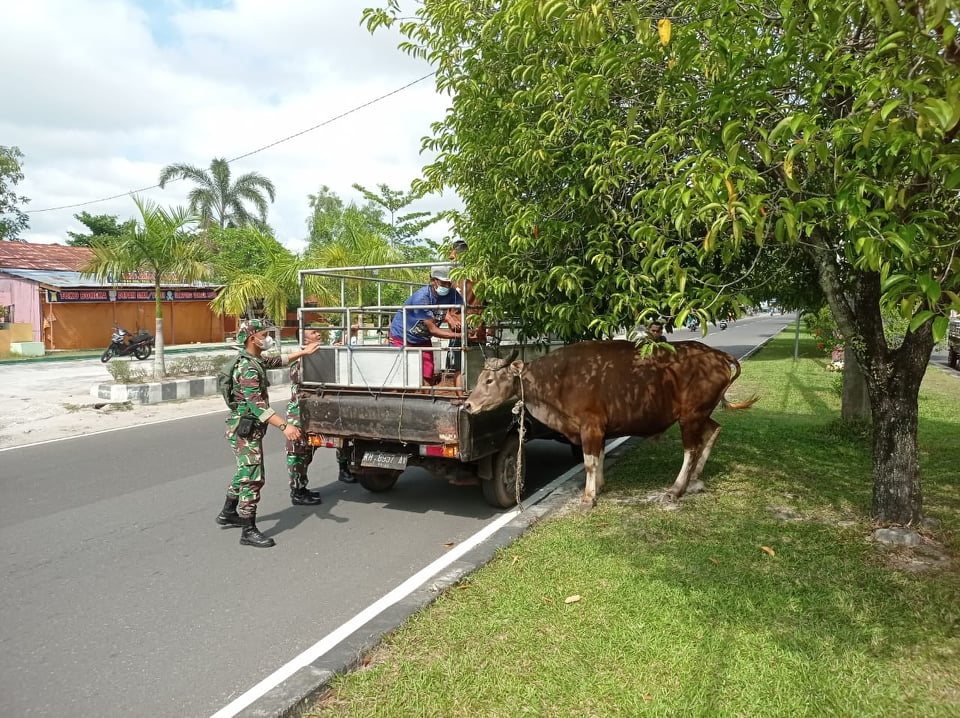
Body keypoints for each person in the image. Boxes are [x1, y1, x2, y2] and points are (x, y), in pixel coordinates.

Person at [216, 318, 319, 548]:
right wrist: (285, 426)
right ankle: (248, 529)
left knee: (244, 470)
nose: (267, 338)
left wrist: (304, 352)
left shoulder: (256, 359)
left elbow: (278, 359)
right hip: (246, 429)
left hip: (247, 427)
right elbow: (257, 405)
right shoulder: (247, 368)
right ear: (252, 338)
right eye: (264, 335)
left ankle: (227, 512)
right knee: (253, 477)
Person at [388, 265, 465, 385]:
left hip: (422, 337)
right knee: (401, 374)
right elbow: (433, 329)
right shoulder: (422, 298)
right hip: (402, 336)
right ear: (433, 280)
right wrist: (460, 335)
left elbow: (462, 311)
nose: (447, 286)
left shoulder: (452, 294)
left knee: (427, 372)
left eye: (449, 284)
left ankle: (425, 395)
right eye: (443, 283)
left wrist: (454, 319)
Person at [284, 322, 326, 505]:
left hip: (313, 411)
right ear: (305, 339)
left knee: (308, 452)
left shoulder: (315, 355)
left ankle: (302, 487)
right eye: (313, 333)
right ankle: (297, 491)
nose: (318, 334)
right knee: (297, 453)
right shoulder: (300, 359)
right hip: (299, 413)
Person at [445, 240, 486, 378]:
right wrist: (449, 318)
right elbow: (442, 304)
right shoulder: (453, 277)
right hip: (460, 328)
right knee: (460, 366)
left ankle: (465, 394)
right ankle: (462, 393)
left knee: (469, 366)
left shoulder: (477, 277)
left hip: (470, 328)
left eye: (453, 253)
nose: (451, 257)